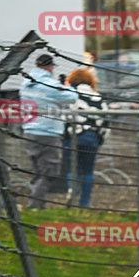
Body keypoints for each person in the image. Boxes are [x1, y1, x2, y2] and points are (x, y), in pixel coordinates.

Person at [19, 54, 78, 209]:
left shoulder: (26, 83)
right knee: (50, 172)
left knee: (39, 172)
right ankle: (35, 205)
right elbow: (72, 97)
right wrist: (66, 85)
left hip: (29, 130)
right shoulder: (49, 84)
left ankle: (39, 206)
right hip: (48, 132)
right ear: (49, 67)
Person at [62, 69, 109, 208]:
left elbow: (64, 117)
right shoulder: (98, 97)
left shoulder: (70, 95)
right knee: (88, 171)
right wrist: (100, 139)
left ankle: (72, 191)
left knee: (72, 168)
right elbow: (105, 121)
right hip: (92, 137)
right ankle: (85, 203)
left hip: (72, 136)